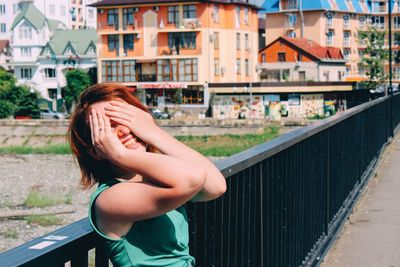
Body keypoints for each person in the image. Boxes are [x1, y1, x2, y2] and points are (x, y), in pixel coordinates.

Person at [67, 83, 226, 267]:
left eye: (127, 118)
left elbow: (216, 186)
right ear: (93, 150)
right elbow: (193, 178)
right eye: (108, 126)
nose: (125, 130)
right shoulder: (109, 198)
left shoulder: (155, 179)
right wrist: (121, 154)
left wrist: (152, 130)